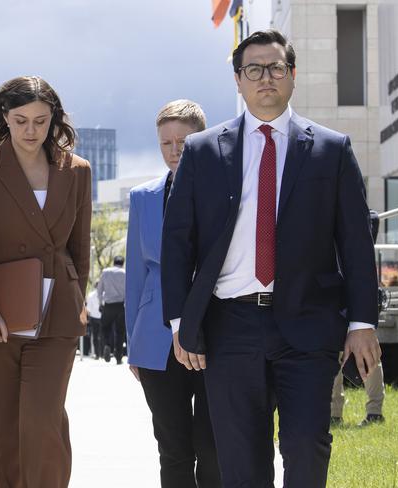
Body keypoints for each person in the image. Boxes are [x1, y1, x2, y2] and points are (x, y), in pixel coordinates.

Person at [161, 29, 381, 488]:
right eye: (253, 69)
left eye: (276, 68)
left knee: (306, 449)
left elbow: (356, 242)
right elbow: (178, 240)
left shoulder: (330, 149)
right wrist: (180, 322)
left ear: (292, 76)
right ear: (238, 81)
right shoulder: (203, 151)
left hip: (308, 324)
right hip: (229, 327)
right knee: (241, 464)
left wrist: (362, 322)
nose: (266, 77)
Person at [0, 76, 92, 487]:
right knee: (0, 434)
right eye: (21, 121)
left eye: (41, 120)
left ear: (54, 119)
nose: (31, 131)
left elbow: (79, 249)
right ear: (5, 118)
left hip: (58, 319)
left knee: (42, 424)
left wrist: (74, 304)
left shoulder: (77, 171)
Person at [126, 99, 220, 488]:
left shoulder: (226, 191)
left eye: (184, 140)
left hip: (214, 333)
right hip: (155, 339)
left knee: (213, 445)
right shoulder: (143, 197)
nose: (175, 150)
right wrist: (134, 344)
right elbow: (136, 275)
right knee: (172, 447)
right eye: (166, 143)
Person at [330, 209, 386, 427]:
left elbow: (372, 219)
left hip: (358, 298)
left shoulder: (360, 217)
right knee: (333, 354)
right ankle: (335, 412)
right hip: (334, 297)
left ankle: (374, 411)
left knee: (369, 354)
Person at [98, 256, 126, 364]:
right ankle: (118, 357)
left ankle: (107, 344)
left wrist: (100, 303)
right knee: (120, 332)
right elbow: (129, 291)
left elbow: (100, 290)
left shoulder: (106, 272)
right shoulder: (125, 273)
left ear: (113, 262)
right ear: (122, 263)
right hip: (121, 306)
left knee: (105, 327)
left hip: (108, 305)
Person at [85, 283, 102, 358]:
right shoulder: (104, 294)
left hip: (93, 317)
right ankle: (102, 353)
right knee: (103, 335)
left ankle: (97, 354)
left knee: (95, 336)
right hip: (103, 317)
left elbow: (88, 309)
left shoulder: (91, 295)